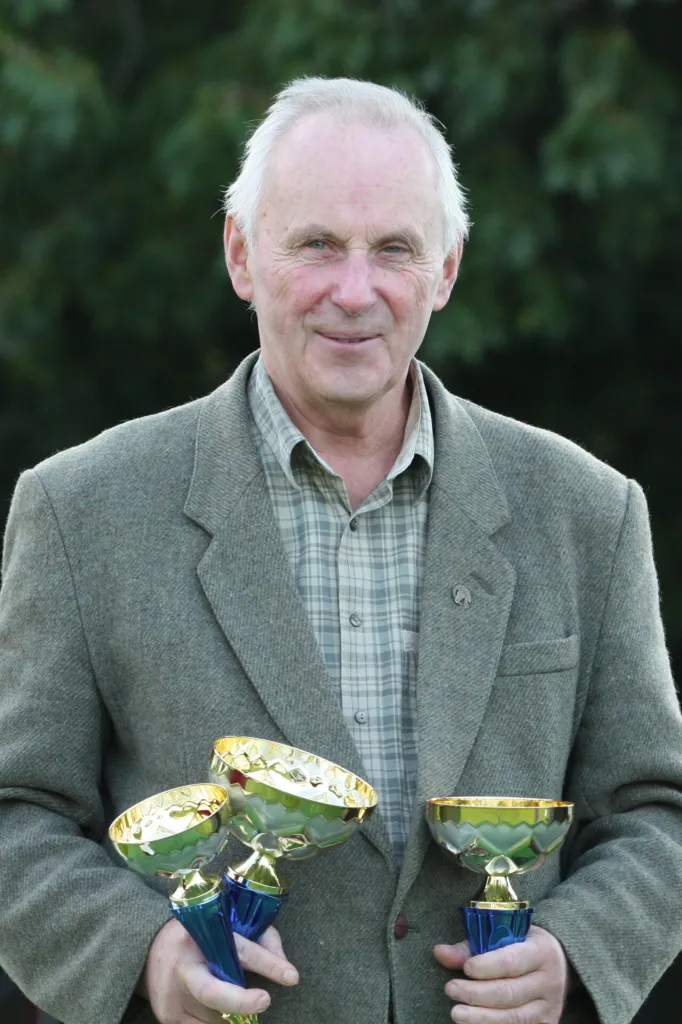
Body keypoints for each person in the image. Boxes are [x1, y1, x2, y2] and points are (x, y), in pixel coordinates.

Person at [0, 76, 681, 1024]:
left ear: (446, 271)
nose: (354, 293)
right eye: (316, 244)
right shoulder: (82, 510)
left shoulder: (587, 512)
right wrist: (145, 956)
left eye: (394, 249)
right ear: (242, 255)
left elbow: (657, 810)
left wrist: (577, 952)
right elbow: (16, 811)